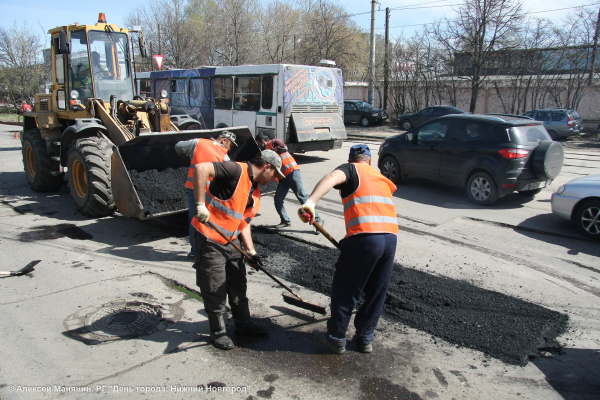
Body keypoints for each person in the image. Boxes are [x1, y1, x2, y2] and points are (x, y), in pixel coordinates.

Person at [297, 144, 398, 354]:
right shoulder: (381, 178)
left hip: (364, 237)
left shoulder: (351, 169)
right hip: (389, 239)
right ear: (370, 160)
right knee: (376, 291)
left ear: (352, 160)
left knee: (346, 289)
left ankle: (335, 337)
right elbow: (375, 210)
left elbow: (332, 177)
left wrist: (310, 203)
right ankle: (365, 338)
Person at [192, 150, 285, 350]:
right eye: (275, 174)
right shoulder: (236, 169)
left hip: (231, 240)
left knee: (238, 283)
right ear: (267, 166)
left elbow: (243, 221)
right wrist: (200, 205)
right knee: (214, 286)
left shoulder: (255, 189)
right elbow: (201, 168)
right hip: (210, 238)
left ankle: (243, 324)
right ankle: (218, 332)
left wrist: (250, 251)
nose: (276, 179)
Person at [175, 131, 238, 259]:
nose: (230, 149)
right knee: (209, 220)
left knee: (194, 219)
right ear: (224, 141)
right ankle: (208, 248)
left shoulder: (197, 143)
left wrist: (185, 153)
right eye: (230, 145)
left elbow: (178, 147)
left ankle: (195, 251)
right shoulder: (224, 156)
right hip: (212, 192)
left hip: (194, 189)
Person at [255, 132, 324, 231]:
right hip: (283, 178)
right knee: (278, 199)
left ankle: (318, 220)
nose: (258, 145)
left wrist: (269, 152)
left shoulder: (275, 142)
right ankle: (285, 221)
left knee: (302, 197)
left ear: (262, 141)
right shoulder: (265, 151)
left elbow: (284, 148)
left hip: (292, 172)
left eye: (258, 143)